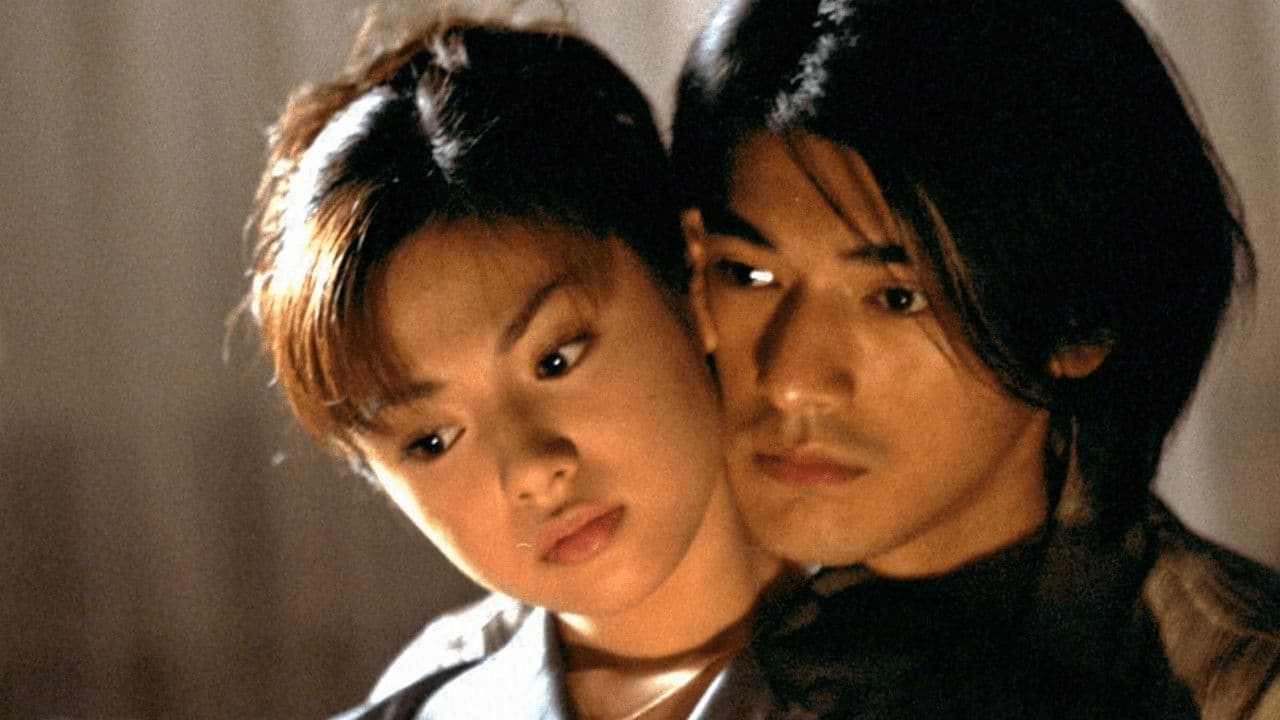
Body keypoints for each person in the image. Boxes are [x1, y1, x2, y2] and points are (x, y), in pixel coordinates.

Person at [671, 0, 1280, 717]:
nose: (792, 379)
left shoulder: (1233, 688)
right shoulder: (692, 623)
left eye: (897, 298)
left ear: (1078, 327)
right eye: (748, 274)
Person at [244, 18, 786, 720]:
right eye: (431, 440)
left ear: (692, 279)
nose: (532, 470)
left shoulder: (916, 660)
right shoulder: (432, 695)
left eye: (555, 360)